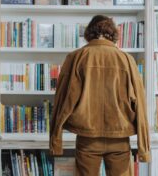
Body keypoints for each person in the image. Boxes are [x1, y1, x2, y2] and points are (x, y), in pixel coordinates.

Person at [49, 15, 150, 176]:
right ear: (113, 34)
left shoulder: (75, 57)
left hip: (87, 137)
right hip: (120, 138)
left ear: (89, 33)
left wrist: (55, 141)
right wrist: (144, 149)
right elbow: (140, 104)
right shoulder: (127, 59)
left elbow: (62, 100)